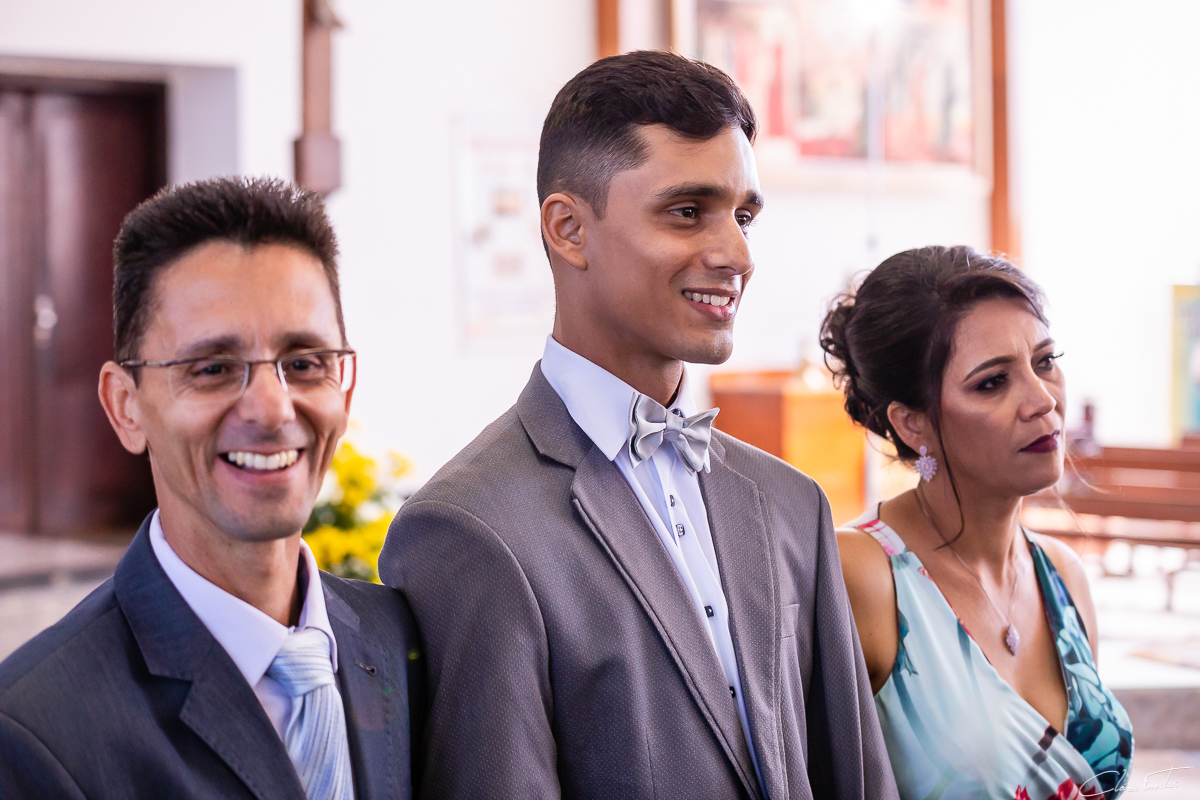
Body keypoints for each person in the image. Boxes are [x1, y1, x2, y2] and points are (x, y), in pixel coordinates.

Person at [379, 50, 897, 800]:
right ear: (568, 230)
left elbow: (854, 777)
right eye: (687, 212)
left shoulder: (792, 503)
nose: (737, 255)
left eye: (743, 216)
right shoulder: (470, 529)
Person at [0, 177, 423, 799]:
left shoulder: (404, 642)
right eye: (214, 368)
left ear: (345, 387)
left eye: (304, 363)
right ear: (126, 407)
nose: (273, 408)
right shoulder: (36, 731)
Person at [822, 246, 1133, 800]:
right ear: (912, 422)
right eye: (992, 382)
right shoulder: (863, 576)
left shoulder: (1063, 573)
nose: (1042, 401)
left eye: (1045, 361)